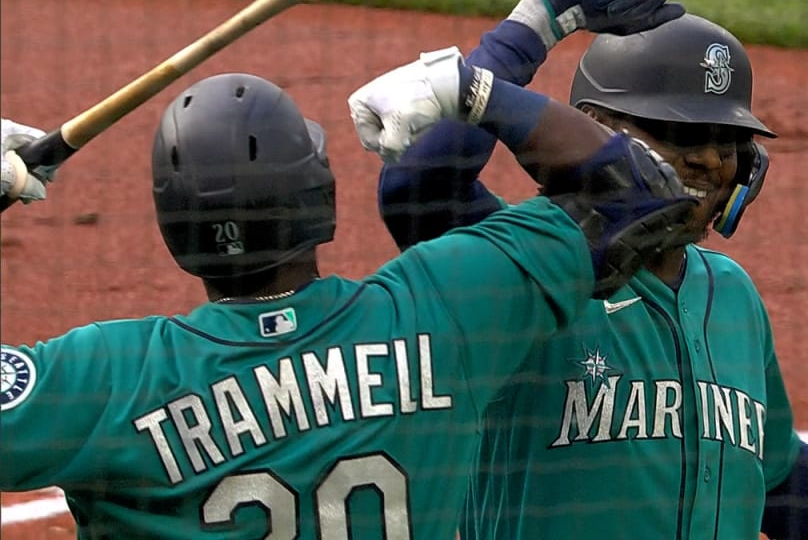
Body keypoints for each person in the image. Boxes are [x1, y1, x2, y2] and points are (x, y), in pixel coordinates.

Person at [376, 0, 808, 540]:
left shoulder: (729, 295)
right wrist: (534, 27)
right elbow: (416, 192)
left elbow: (779, 477)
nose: (709, 158)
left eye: (726, 140)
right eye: (678, 134)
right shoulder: (524, 271)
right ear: (593, 131)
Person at [0, 30, 701, 540]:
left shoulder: (105, 378)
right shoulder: (443, 308)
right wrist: (476, 91)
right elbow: (643, 194)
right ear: (320, 197)